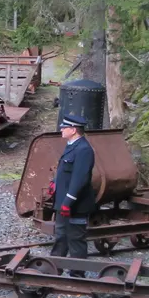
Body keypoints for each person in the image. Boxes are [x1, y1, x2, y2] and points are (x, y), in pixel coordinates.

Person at [52, 113, 96, 267]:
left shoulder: (84, 149)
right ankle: (55, 268)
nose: (61, 129)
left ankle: (77, 274)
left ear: (74, 130)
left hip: (75, 205)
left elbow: (80, 178)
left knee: (76, 239)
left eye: (64, 127)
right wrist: (54, 184)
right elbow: (64, 170)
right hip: (63, 203)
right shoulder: (72, 145)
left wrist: (68, 201)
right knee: (61, 236)